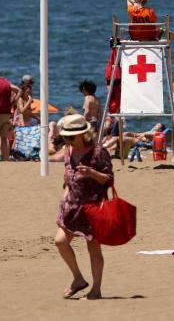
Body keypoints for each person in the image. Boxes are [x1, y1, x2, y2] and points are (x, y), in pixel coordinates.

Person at [54, 114, 113, 300]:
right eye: (66, 137)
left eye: (71, 137)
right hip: (71, 207)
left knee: (93, 249)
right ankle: (78, 279)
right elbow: (67, 178)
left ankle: (96, 290)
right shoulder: (68, 151)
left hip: (93, 207)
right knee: (60, 241)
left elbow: (109, 179)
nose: (68, 140)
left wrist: (92, 173)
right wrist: (64, 198)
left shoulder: (98, 152)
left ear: (82, 134)